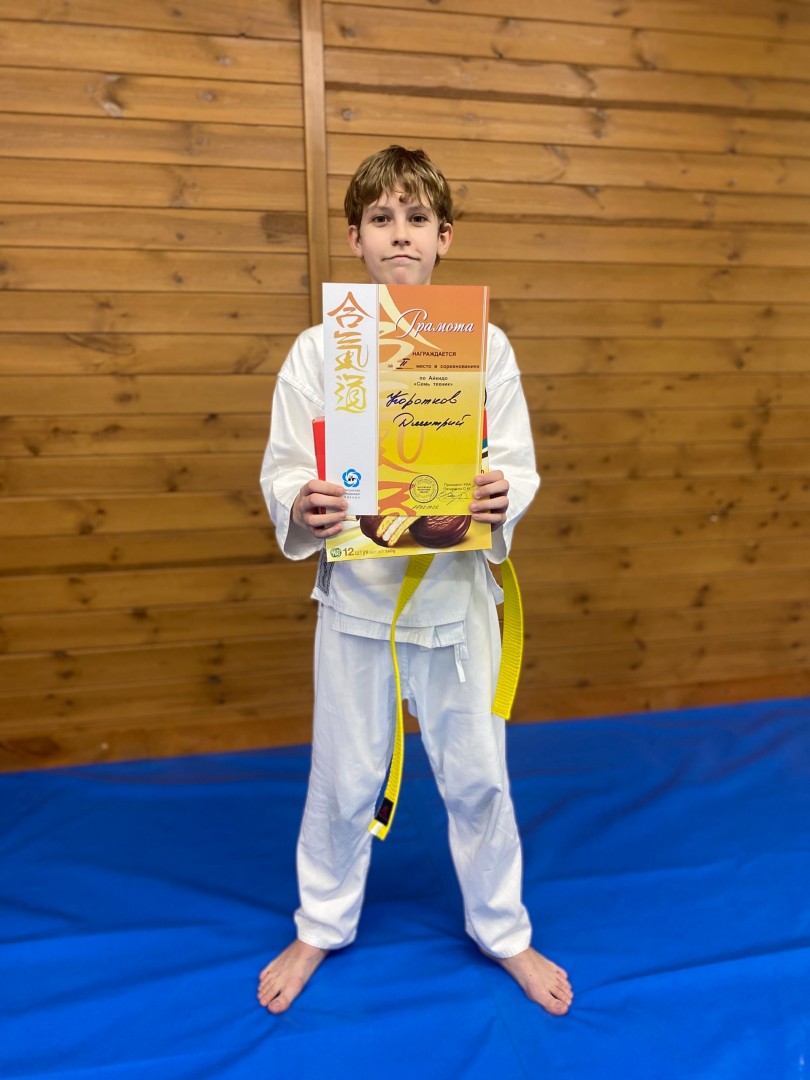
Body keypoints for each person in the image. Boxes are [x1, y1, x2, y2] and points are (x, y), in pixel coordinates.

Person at [257, 146, 573, 1017]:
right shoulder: (320, 351)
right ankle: (321, 922)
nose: (400, 235)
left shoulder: (486, 347)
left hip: (457, 598)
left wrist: (502, 493)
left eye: (417, 219)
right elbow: (286, 464)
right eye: (381, 219)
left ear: (444, 238)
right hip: (357, 602)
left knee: (479, 777)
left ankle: (503, 930)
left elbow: (516, 461)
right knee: (343, 775)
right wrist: (303, 501)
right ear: (355, 238)